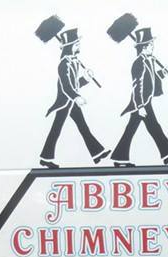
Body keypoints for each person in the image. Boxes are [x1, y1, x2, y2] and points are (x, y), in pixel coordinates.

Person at [39, 27, 110, 170]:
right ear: (70, 46)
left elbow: (74, 83)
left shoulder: (73, 62)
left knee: (82, 127)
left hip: (70, 102)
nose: (79, 46)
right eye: (77, 44)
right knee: (56, 129)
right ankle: (45, 158)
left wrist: (86, 78)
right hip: (65, 102)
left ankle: (97, 153)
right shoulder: (64, 63)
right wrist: (76, 97)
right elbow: (66, 86)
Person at [111, 27, 168, 168]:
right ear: (144, 47)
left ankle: (167, 153)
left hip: (146, 100)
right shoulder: (139, 63)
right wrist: (140, 106)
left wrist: (165, 73)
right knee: (142, 128)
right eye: (150, 45)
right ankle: (167, 153)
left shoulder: (149, 60)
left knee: (149, 127)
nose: (153, 47)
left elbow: (151, 79)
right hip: (140, 101)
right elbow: (138, 85)